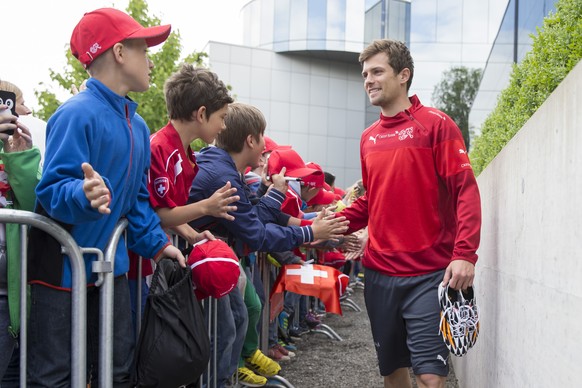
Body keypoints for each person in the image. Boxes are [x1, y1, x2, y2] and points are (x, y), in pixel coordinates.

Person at [27, 8, 186, 387]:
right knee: (55, 375)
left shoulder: (138, 123)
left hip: (109, 269)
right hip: (60, 273)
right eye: (143, 48)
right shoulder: (74, 114)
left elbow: (137, 201)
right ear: (118, 53)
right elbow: (51, 191)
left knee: (116, 369)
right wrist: (82, 193)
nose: (150, 59)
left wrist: (158, 245)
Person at [336, 39, 482, 388]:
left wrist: (465, 255)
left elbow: (465, 190)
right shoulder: (367, 138)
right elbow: (372, 200)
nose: (368, 80)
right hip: (379, 275)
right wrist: (327, 226)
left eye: (377, 71)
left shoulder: (436, 125)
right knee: (393, 373)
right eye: (365, 74)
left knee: (431, 377)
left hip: (430, 275)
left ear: (404, 75)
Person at [189, 102, 348, 387]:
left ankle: (227, 376)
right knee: (227, 325)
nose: (265, 146)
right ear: (250, 139)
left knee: (238, 317)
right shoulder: (222, 175)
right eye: (262, 136)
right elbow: (257, 233)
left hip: (220, 260)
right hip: (209, 262)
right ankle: (222, 379)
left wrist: (305, 223)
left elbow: (253, 217)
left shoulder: (225, 170)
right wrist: (310, 232)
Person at [128, 63, 238, 331]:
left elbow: (168, 210)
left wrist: (192, 235)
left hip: (150, 258)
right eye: (222, 117)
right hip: (136, 261)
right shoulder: (160, 148)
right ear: (201, 114)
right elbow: (159, 212)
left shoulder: (182, 150)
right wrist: (207, 207)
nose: (223, 126)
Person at [0, 81, 41, 387]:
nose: (25, 111)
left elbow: (34, 206)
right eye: (18, 103)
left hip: (15, 299)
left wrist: (21, 161)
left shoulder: (21, 150)